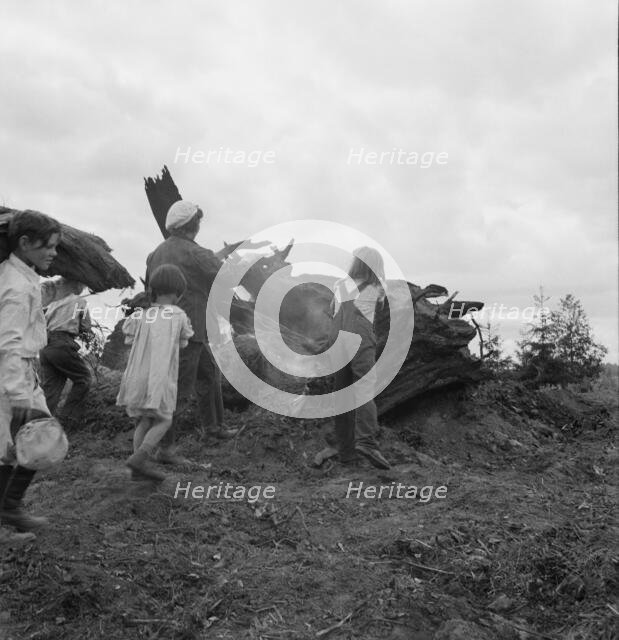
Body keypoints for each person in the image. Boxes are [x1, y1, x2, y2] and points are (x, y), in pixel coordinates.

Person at [0, 210, 78, 545]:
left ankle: (9, 506)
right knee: (6, 447)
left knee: (39, 440)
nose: (53, 253)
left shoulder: (22, 276)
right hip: (9, 375)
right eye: (47, 246)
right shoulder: (16, 287)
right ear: (24, 243)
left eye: (56, 247)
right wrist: (17, 392)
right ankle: (5, 515)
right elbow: (10, 342)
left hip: (23, 372)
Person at [145, 200, 235, 466]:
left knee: (208, 374)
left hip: (164, 327)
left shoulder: (154, 254)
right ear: (192, 226)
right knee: (179, 389)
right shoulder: (197, 253)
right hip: (190, 328)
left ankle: (214, 429)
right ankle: (166, 449)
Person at [116, 264, 194, 481]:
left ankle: (135, 468)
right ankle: (140, 458)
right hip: (159, 379)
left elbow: (128, 336)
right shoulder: (178, 315)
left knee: (144, 420)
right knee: (164, 419)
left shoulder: (142, 315)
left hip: (137, 377)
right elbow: (185, 341)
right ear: (177, 293)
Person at [318, 247, 391, 470]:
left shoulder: (339, 285)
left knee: (342, 396)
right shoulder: (377, 287)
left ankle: (347, 455)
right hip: (359, 340)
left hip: (336, 341)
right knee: (364, 390)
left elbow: (332, 311)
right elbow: (381, 308)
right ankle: (367, 442)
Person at [39, 281, 92, 423]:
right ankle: (66, 419)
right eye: (82, 285)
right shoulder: (80, 301)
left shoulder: (53, 302)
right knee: (84, 379)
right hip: (62, 344)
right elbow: (86, 327)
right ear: (77, 286)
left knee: (51, 389)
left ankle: (38, 424)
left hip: (45, 346)